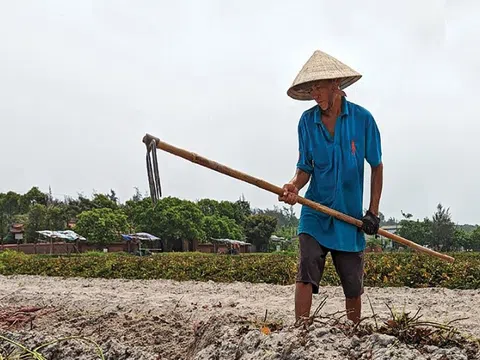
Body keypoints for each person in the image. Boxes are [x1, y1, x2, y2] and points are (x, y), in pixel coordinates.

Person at [280, 50, 383, 324]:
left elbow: (377, 165)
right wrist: (293, 185)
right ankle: (300, 330)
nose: (315, 94)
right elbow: (305, 168)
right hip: (316, 212)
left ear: (335, 84)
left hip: (349, 217)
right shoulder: (307, 122)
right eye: (311, 89)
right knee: (307, 265)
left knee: (352, 281)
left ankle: (354, 331)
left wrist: (372, 213)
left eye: (319, 87)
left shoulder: (363, 120)